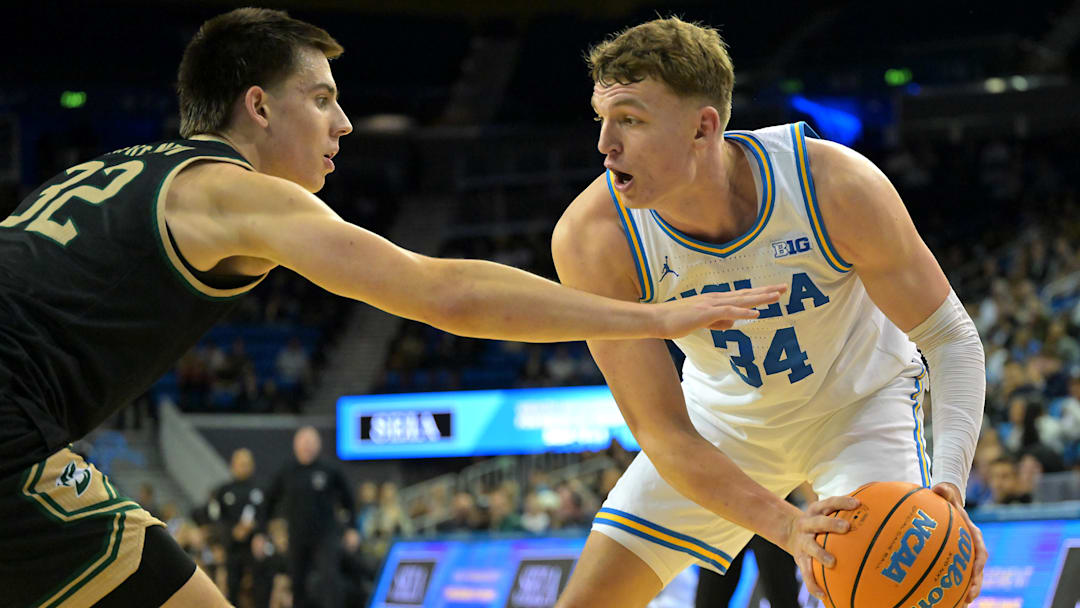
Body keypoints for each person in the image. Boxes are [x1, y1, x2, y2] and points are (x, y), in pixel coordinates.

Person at [0, 8, 784, 608]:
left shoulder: (125, 168)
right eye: (322, 98)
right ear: (258, 108)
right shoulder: (232, 192)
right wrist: (652, 318)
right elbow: (447, 292)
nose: (343, 122)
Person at [550, 17, 989, 607]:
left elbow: (952, 339)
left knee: (909, 594)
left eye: (630, 120)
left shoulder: (833, 184)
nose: (605, 144)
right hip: (719, 428)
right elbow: (661, 431)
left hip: (856, 409)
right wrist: (785, 526)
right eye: (602, 120)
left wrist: (950, 491)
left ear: (703, 127)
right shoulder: (593, 238)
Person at [261, 427, 352, 608]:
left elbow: (349, 500)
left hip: (325, 536)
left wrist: (352, 529)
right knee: (297, 583)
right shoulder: (287, 471)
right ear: (296, 446)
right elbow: (268, 503)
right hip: (297, 536)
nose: (307, 447)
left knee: (329, 579)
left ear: (318, 445)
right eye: (303, 443)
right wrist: (262, 533)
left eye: (311, 443)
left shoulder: (330, 470)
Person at [206, 448, 263, 605]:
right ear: (233, 465)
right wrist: (230, 533)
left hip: (254, 546)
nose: (244, 467)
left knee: (260, 584)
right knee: (232, 585)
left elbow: (267, 516)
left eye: (247, 464)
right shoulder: (223, 491)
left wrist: (255, 528)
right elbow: (216, 519)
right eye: (240, 464)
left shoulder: (261, 489)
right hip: (231, 546)